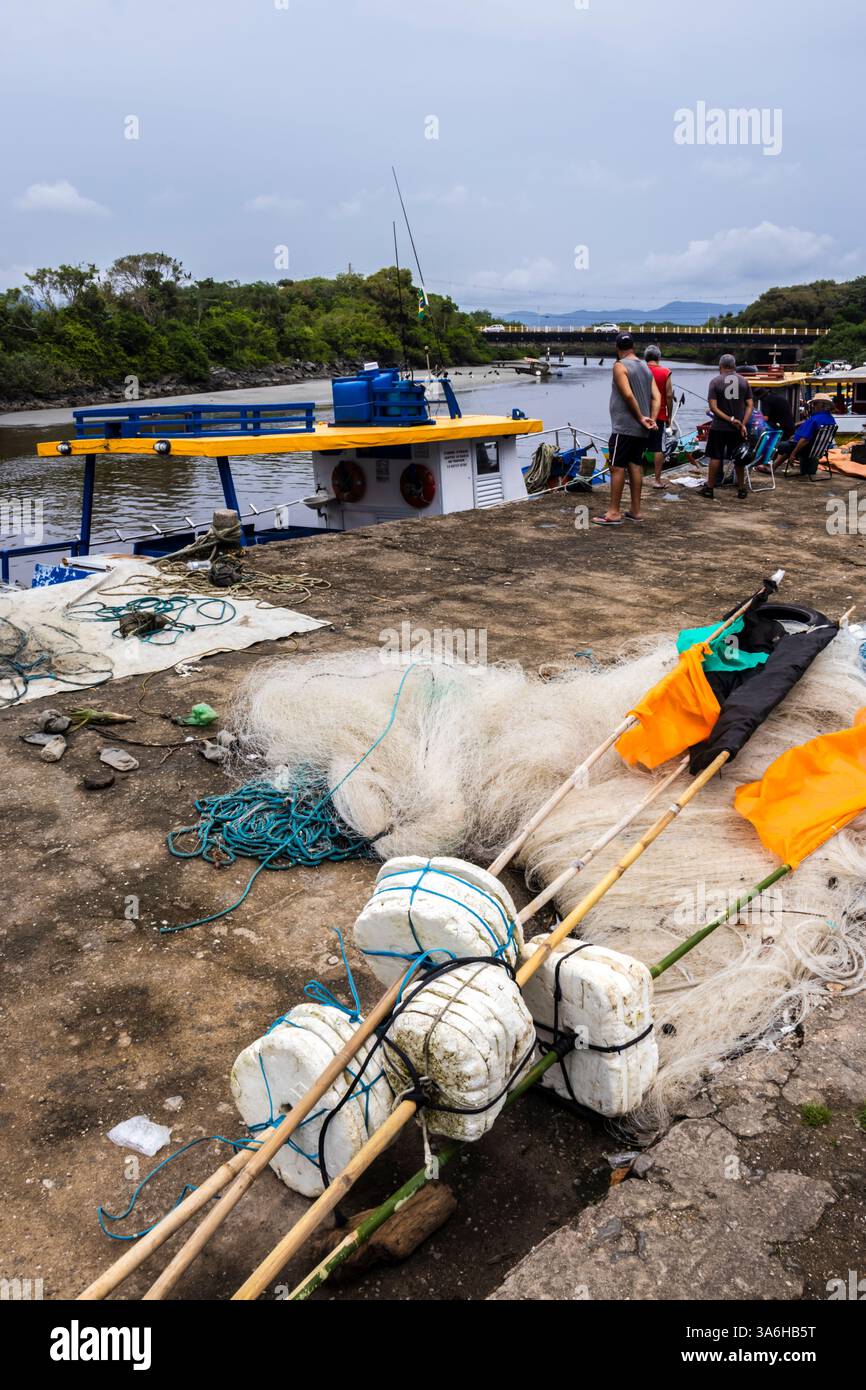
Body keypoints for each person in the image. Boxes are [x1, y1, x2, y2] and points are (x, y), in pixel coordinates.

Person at [593, 332, 659, 526]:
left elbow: (628, 395)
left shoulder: (619, 366)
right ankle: (636, 511)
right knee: (635, 466)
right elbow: (657, 396)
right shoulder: (646, 368)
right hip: (641, 430)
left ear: (617, 348)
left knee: (616, 467)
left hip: (624, 427)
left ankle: (613, 512)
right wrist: (651, 420)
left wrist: (639, 418)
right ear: (633, 347)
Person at [700, 354, 753, 501]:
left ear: (720, 366)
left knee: (715, 456)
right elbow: (750, 405)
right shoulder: (744, 382)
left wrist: (730, 419)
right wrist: (742, 422)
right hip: (737, 428)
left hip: (719, 427)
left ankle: (709, 488)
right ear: (734, 366)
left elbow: (713, 407)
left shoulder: (715, 382)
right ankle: (742, 489)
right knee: (739, 457)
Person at [775, 394, 836, 479]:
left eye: (814, 404)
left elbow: (804, 440)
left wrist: (793, 454)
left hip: (806, 449)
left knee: (779, 445)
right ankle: (773, 467)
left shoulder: (814, 419)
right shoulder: (831, 419)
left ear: (822, 405)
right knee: (790, 444)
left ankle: (772, 466)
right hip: (819, 450)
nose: (812, 406)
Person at [644, 345, 674, 489]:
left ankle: (633, 478)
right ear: (658, 357)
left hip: (640, 415)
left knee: (638, 447)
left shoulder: (639, 370)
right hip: (659, 415)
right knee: (658, 448)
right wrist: (668, 415)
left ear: (645, 358)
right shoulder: (665, 372)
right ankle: (656, 480)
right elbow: (669, 395)